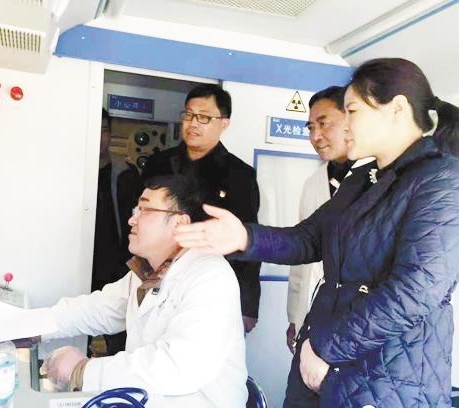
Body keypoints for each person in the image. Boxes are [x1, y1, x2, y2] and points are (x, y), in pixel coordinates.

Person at [174, 58, 459, 407]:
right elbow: (309, 238)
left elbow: (416, 291)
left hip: (388, 375)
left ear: (396, 109)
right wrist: (244, 238)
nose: (345, 124)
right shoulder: (362, 179)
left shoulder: (442, 180)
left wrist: (326, 347)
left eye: (352, 111)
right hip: (325, 358)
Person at [42, 175, 248, 408]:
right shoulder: (150, 270)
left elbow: (179, 367)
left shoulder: (210, 276)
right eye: (136, 209)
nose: (132, 219)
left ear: (180, 223)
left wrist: (84, 371)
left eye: (145, 210)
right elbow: (98, 309)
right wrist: (31, 327)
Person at [142, 84, 261, 333]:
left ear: (224, 123)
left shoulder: (240, 175)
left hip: (209, 283)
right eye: (188, 115)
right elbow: (141, 220)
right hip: (155, 278)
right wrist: (139, 280)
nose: (193, 123)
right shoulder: (158, 164)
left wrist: (247, 305)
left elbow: (247, 240)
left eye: (204, 117)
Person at [286, 86, 375, 353]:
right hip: (309, 315)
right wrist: (293, 316)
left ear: (350, 119)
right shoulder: (313, 183)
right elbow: (300, 258)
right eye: (310, 128)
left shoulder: (378, 178)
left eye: (324, 124)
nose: (316, 136)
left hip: (355, 326)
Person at [90, 108, 143, 356]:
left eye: (104, 130)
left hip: (117, 267)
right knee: (79, 332)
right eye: (94, 129)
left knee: (120, 340)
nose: (99, 136)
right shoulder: (71, 172)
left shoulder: (126, 173)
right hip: (81, 266)